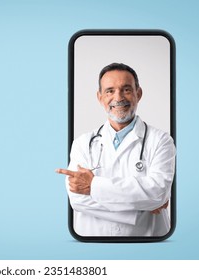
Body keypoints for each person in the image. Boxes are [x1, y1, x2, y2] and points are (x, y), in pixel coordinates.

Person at [56, 63, 175, 237]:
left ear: (138, 94)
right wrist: (141, 206)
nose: (118, 98)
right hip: (93, 242)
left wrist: (93, 185)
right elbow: (77, 199)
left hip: (147, 244)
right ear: (100, 97)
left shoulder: (161, 141)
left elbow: (158, 193)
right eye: (109, 91)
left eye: (126, 89)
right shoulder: (83, 143)